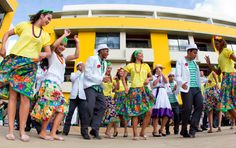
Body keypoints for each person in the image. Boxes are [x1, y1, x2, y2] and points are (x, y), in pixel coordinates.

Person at [0, 9, 53, 141]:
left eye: (50, 19)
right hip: (16, 61)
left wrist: (44, 54)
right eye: (48, 18)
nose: (48, 21)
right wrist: (3, 46)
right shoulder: (24, 25)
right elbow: (7, 33)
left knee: (25, 97)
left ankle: (22, 131)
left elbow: (48, 52)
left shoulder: (45, 35)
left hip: (31, 65)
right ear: (41, 16)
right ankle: (11, 131)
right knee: (13, 95)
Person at [31, 29, 80, 141]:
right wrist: (64, 35)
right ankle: (43, 132)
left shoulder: (63, 58)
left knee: (62, 109)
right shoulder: (51, 54)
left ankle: (53, 133)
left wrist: (77, 42)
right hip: (49, 83)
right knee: (50, 108)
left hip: (57, 85)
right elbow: (53, 45)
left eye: (64, 45)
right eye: (61, 44)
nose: (62, 47)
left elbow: (77, 55)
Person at [122, 49, 155, 140]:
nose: (141, 55)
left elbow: (151, 76)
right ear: (136, 56)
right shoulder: (130, 65)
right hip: (134, 90)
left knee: (149, 111)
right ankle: (135, 134)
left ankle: (142, 132)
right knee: (135, 113)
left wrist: (148, 79)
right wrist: (125, 87)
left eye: (142, 54)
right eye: (139, 54)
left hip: (144, 90)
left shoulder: (146, 65)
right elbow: (123, 78)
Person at [205, 35, 236, 123]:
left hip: (230, 76)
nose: (215, 45)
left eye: (217, 44)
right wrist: (210, 65)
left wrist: (234, 70)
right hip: (225, 77)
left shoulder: (226, 50)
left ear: (222, 43)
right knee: (226, 103)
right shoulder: (219, 56)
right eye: (214, 44)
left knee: (226, 101)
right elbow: (218, 72)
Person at [175, 44, 203, 138]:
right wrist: (181, 82)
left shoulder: (195, 63)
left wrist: (206, 80)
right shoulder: (181, 61)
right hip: (187, 88)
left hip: (196, 89)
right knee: (187, 109)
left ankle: (193, 129)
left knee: (200, 105)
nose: (195, 55)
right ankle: (183, 129)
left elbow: (197, 77)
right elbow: (177, 75)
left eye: (196, 53)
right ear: (189, 52)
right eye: (194, 53)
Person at [82, 44, 109, 140]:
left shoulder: (105, 63)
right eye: (106, 51)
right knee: (89, 107)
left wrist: (103, 80)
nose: (107, 53)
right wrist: (102, 78)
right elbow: (87, 74)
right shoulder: (92, 58)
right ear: (100, 51)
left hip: (99, 88)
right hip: (90, 86)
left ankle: (94, 129)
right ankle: (84, 130)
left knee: (102, 106)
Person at [63, 62, 85, 135]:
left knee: (82, 115)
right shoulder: (73, 74)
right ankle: (65, 131)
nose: (82, 66)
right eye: (80, 65)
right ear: (77, 67)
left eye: (83, 65)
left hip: (82, 97)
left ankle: (83, 132)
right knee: (70, 114)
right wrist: (79, 71)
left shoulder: (85, 75)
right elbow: (73, 78)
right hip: (73, 97)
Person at [151, 64, 173, 137]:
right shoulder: (153, 76)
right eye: (158, 68)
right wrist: (159, 76)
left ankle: (162, 128)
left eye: (161, 68)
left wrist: (162, 75)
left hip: (163, 93)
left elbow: (166, 82)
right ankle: (155, 130)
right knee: (156, 114)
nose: (160, 69)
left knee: (166, 113)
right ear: (155, 69)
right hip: (156, 92)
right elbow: (154, 84)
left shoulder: (164, 75)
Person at [102, 62, 120, 138]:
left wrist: (118, 81)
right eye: (108, 68)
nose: (109, 70)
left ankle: (109, 131)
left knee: (114, 113)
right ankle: (105, 131)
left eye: (110, 69)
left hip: (109, 98)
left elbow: (116, 89)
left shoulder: (111, 78)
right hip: (102, 97)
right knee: (107, 114)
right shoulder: (101, 76)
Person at [114, 67, 129, 137]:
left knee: (124, 115)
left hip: (124, 97)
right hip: (117, 97)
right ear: (118, 72)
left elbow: (127, 90)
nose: (122, 72)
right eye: (120, 71)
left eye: (123, 71)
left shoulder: (126, 80)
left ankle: (126, 131)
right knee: (116, 115)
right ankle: (115, 130)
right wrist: (116, 81)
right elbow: (115, 89)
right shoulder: (115, 79)